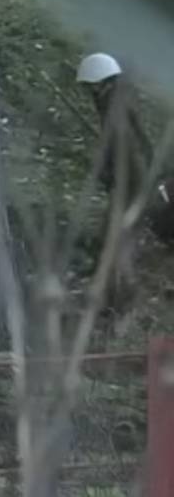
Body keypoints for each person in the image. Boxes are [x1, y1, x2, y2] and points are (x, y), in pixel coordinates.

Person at [75, 53, 169, 325]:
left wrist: (124, 188)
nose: (88, 91)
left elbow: (130, 156)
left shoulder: (115, 111)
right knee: (110, 243)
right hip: (131, 186)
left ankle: (119, 305)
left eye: (90, 85)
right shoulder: (118, 102)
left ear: (100, 82)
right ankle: (112, 298)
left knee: (115, 246)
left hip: (131, 189)